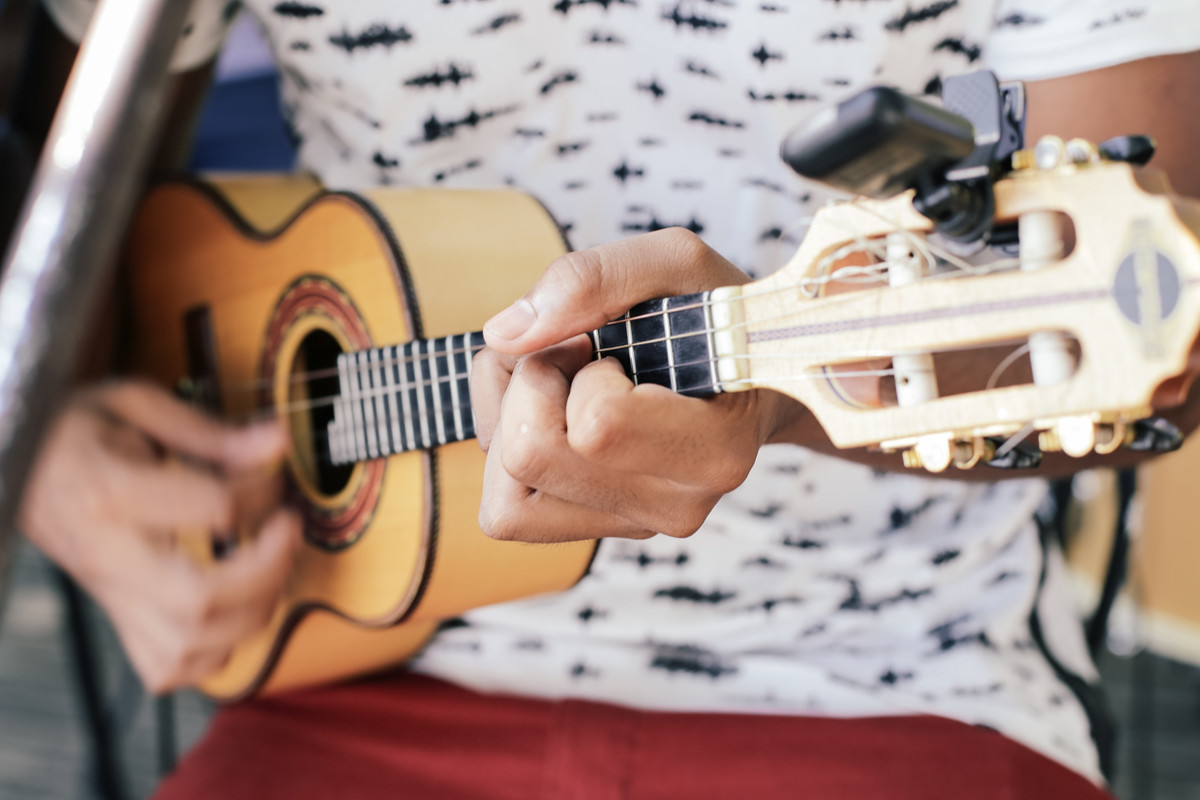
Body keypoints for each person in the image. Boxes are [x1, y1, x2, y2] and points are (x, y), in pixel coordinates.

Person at [9, 0, 1200, 797]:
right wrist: (39, 451)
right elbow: (55, 228)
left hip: (896, 667)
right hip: (345, 656)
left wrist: (778, 401)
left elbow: (1154, 319)